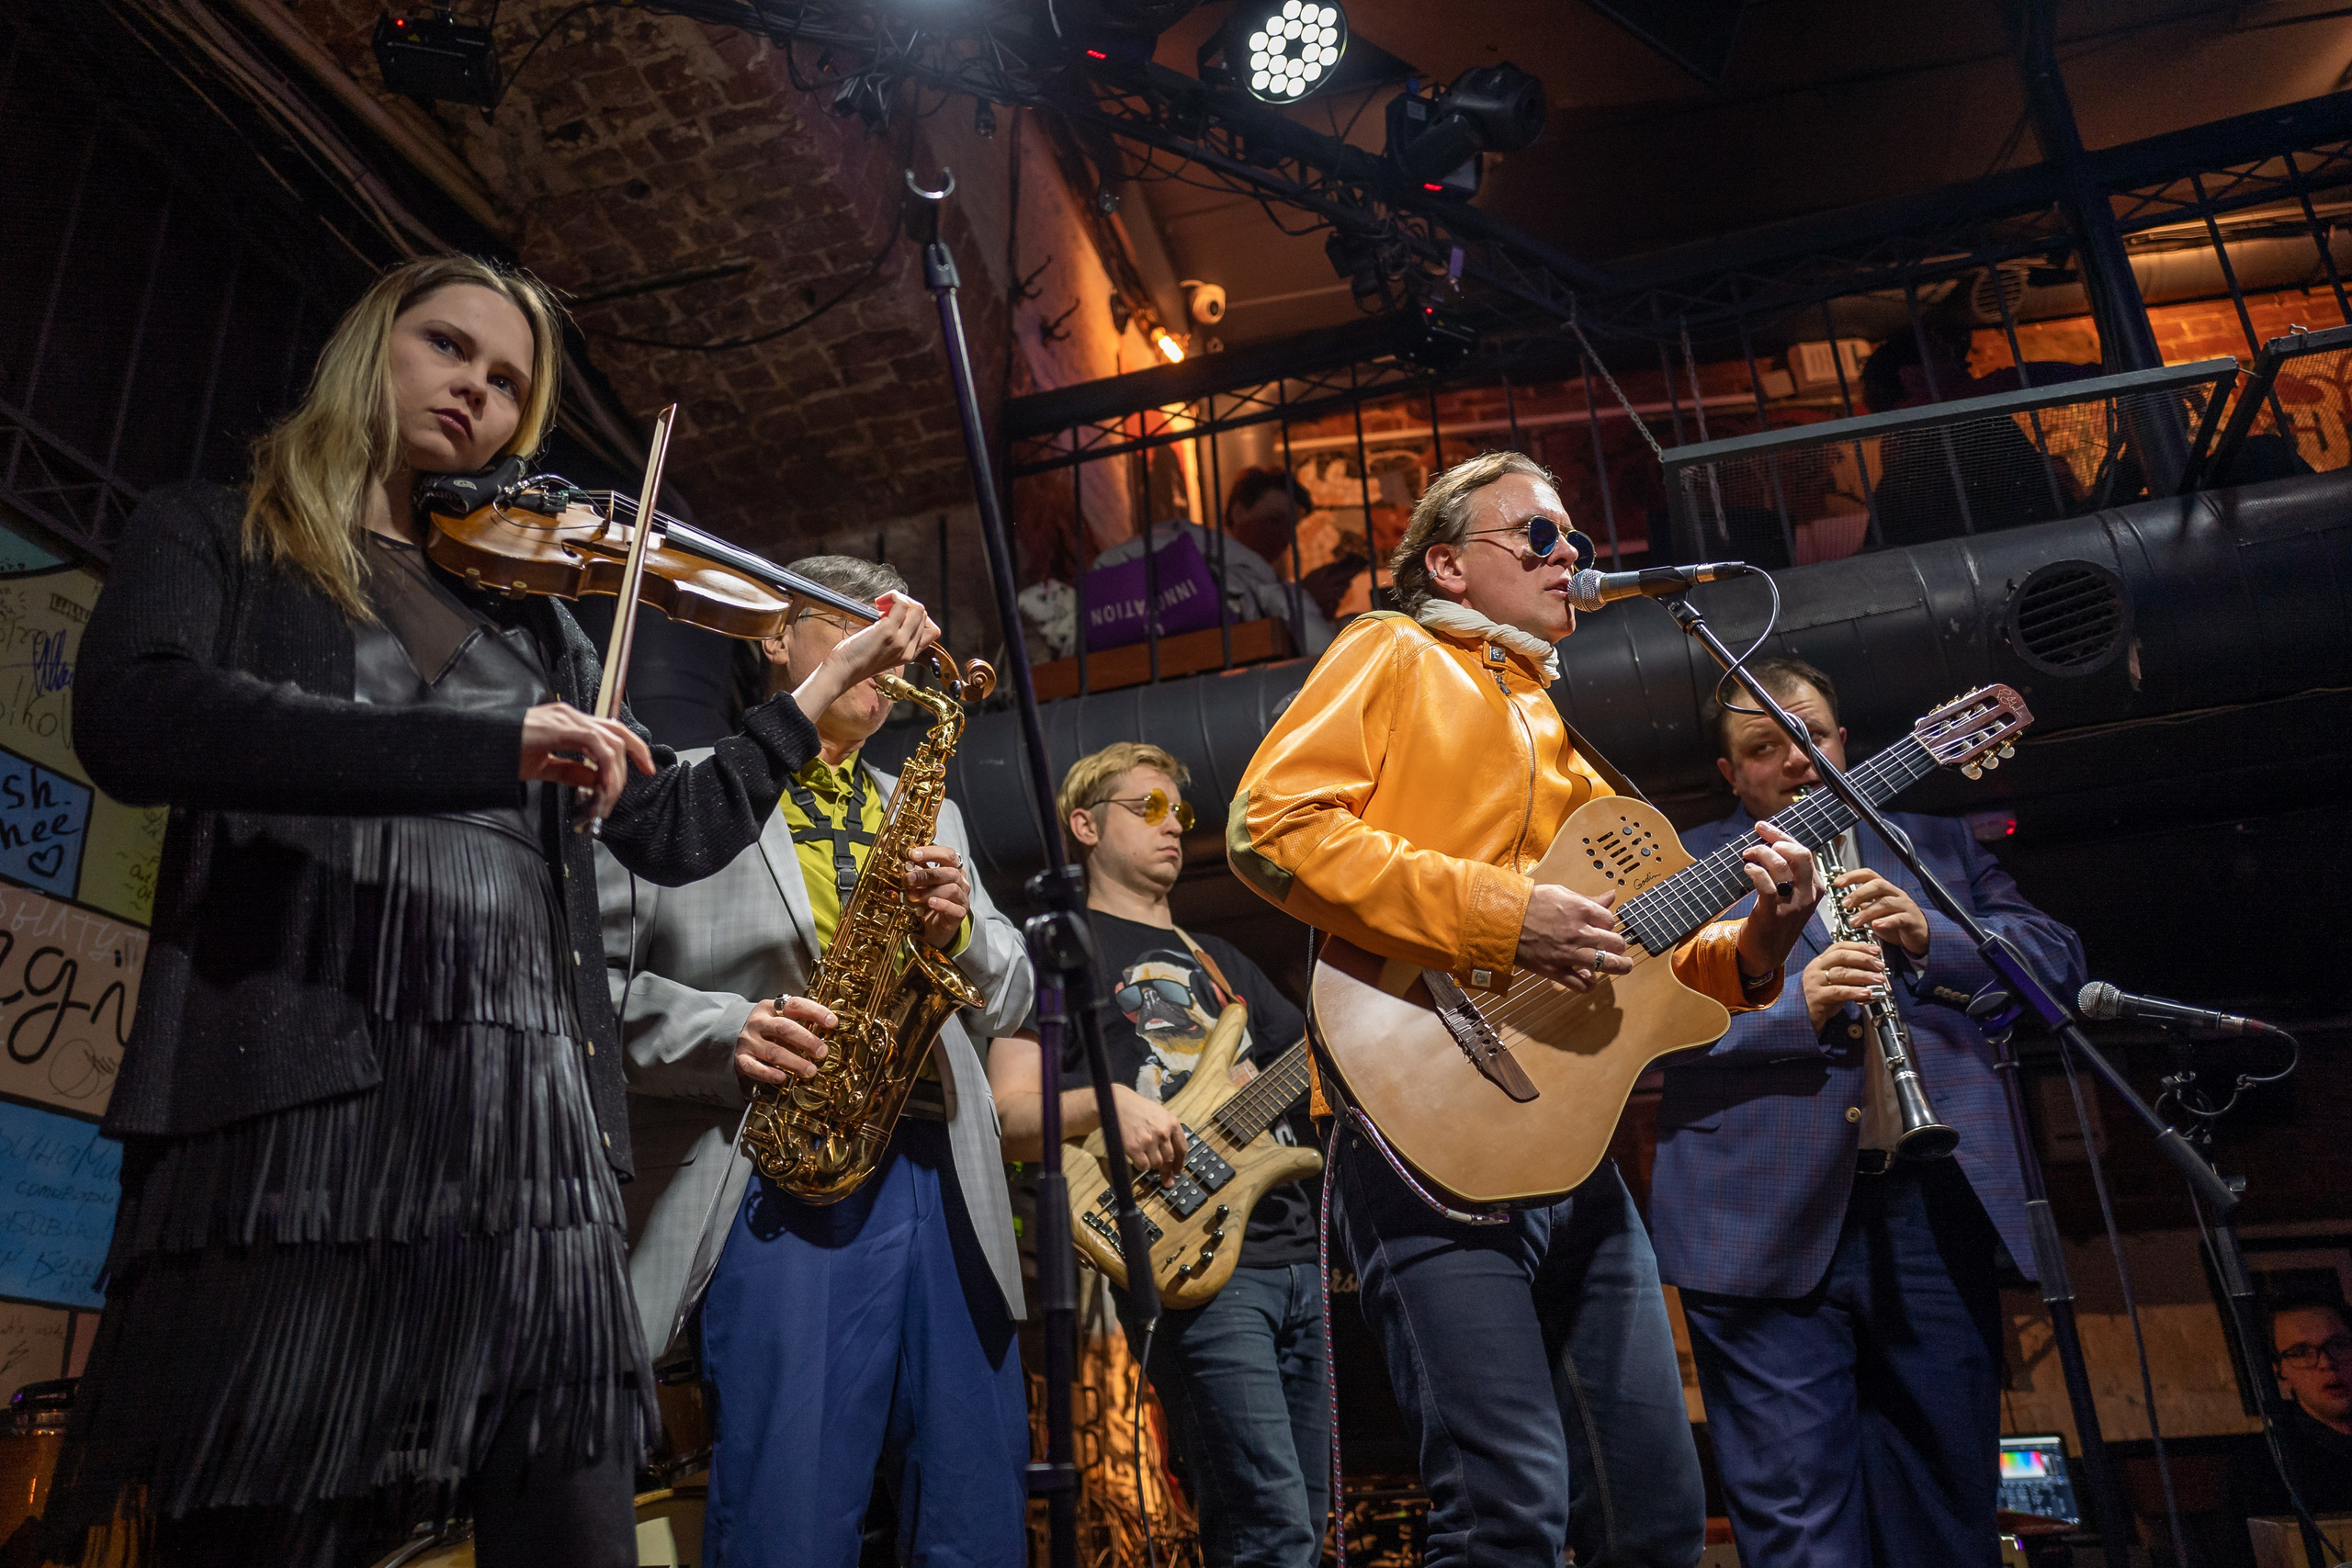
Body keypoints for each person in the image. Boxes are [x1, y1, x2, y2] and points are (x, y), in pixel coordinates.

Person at [46, 256, 930, 1567]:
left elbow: (674, 829)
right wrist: (483, 743)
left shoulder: (545, 625)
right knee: (272, 1522)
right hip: (306, 1097)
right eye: (450, 348)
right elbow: (135, 717)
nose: (480, 389)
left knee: (570, 1526)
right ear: (371, 348)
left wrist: (809, 699)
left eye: (511, 380)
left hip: (528, 1115)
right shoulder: (218, 534)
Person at [1227, 448, 1823, 1568]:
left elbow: (1659, 961)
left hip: (1565, 1143)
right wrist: (1503, 918)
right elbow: (1275, 828)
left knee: (1651, 1512)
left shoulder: (1565, 745)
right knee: (1507, 1514)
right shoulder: (1391, 649)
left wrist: (1761, 941)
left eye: (1578, 542)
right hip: (1420, 1126)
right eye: (1537, 537)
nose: (1570, 561)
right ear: (1445, 566)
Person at [600, 555, 1035, 1568]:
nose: (888, 662)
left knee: (976, 1507)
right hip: (780, 1166)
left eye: (901, 641)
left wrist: (961, 926)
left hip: (944, 1171)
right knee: (789, 1513)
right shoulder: (691, 790)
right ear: (775, 640)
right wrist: (725, 1031)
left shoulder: (938, 811)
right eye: (858, 631)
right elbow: (599, 993)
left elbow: (1009, 993)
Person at [1649, 655, 2086, 1568]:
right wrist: (1785, 1011)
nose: (1797, 759)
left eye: (1810, 734)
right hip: (1757, 1225)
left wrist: (1932, 934)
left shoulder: (1935, 841)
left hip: (1931, 1210)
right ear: (1732, 775)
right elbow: (1632, 1031)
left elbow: (2055, 961)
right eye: (1764, 748)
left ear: (1843, 741)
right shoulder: (1686, 867)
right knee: (1802, 1529)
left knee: (1947, 1509)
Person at [989, 742, 1327, 1568]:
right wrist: (1114, 1106)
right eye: (1148, 807)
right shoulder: (1055, 951)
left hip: (1296, 1253)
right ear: (1084, 824)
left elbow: (1322, 1070)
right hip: (1193, 1262)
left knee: (1311, 1529)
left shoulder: (1224, 961)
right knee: (1266, 1529)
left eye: (1180, 810)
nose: (1173, 823)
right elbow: (1007, 1115)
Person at [1086, 468, 1336, 656]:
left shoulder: (1264, 585)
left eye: (1291, 526)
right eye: (1273, 520)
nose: (1284, 536)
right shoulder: (1190, 548)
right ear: (1238, 513)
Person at [2228, 1296, 2352, 1529]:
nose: (2326, 1362)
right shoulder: (2263, 1465)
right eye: (2301, 1352)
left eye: (2338, 1345)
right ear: (2281, 1372)